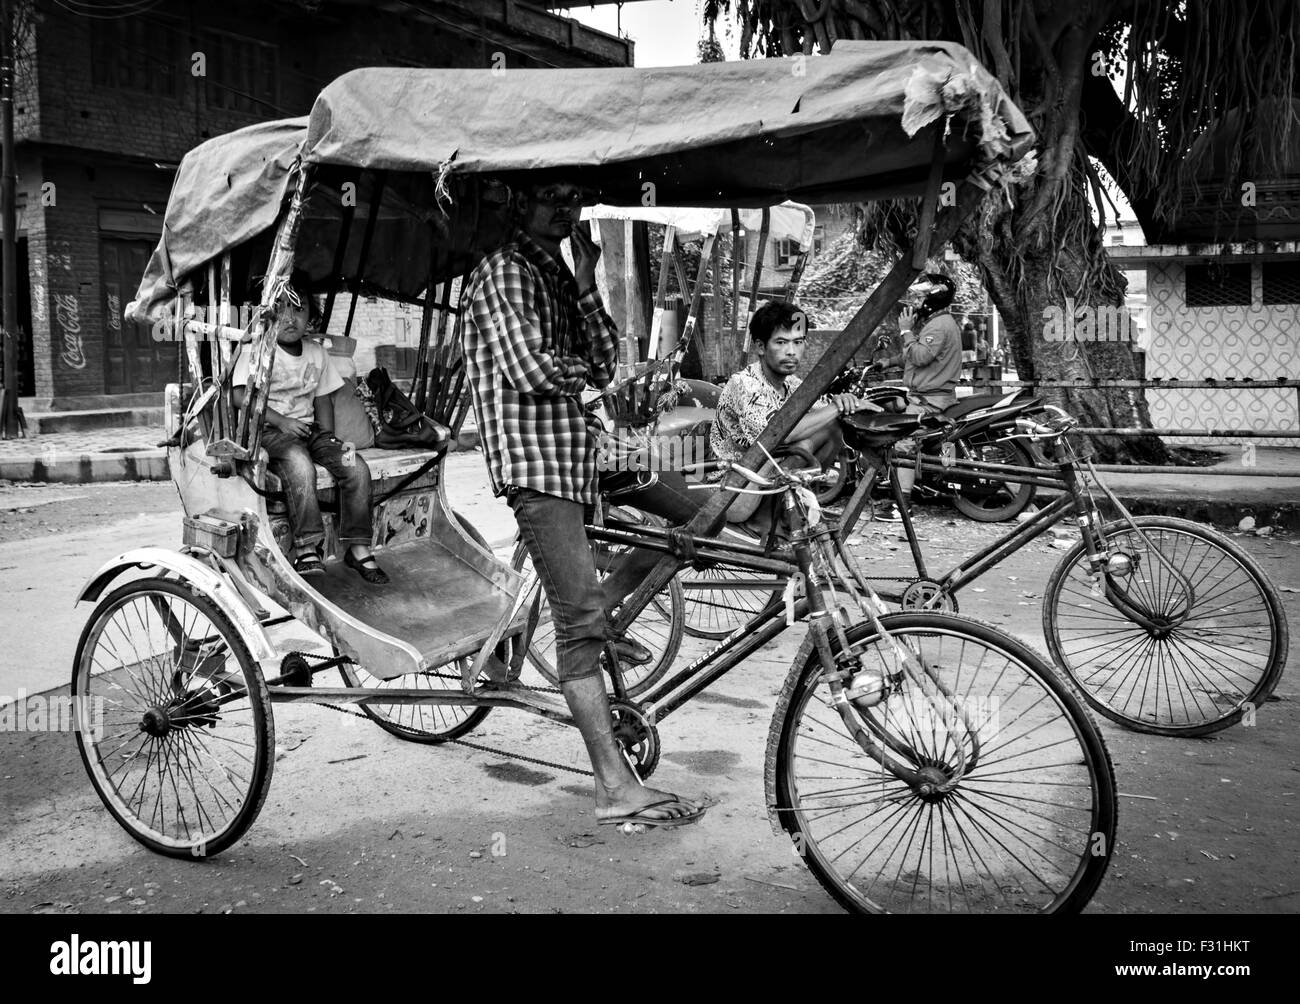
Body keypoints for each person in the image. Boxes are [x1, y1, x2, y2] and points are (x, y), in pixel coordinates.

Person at [461, 175, 704, 830]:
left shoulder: (557, 273)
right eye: (550, 197)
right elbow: (532, 370)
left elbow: (600, 361)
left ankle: (608, 627)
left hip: (583, 453)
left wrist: (589, 279)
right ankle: (611, 785)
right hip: (539, 468)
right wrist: (582, 366)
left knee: (694, 515)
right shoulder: (504, 272)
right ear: (520, 202)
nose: (563, 209)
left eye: (571, 199)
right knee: (577, 620)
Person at [232, 273, 388, 584]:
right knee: (301, 467)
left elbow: (323, 401)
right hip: (270, 432)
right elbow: (239, 396)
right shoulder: (257, 350)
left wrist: (329, 440)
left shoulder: (317, 352)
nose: (291, 318)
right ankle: (307, 548)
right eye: (283, 309)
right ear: (269, 313)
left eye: (299, 309)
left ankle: (357, 548)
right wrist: (281, 422)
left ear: (310, 316)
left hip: (309, 430)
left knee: (354, 465)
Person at [710, 301, 866, 525]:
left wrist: (844, 402)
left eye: (798, 342)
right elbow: (779, 434)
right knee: (809, 440)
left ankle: (783, 513)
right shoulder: (745, 384)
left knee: (832, 428)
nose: (791, 351)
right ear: (761, 347)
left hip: (762, 480)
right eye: (781, 342)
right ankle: (768, 521)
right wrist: (835, 408)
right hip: (731, 491)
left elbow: (821, 413)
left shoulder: (791, 384)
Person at [868, 272, 963, 521]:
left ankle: (903, 506)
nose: (915, 304)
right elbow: (914, 355)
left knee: (903, 445)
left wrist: (905, 331)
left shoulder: (939, 326)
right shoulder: (936, 323)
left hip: (929, 400)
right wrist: (886, 362)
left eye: (920, 298)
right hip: (926, 395)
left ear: (932, 299)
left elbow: (920, 356)